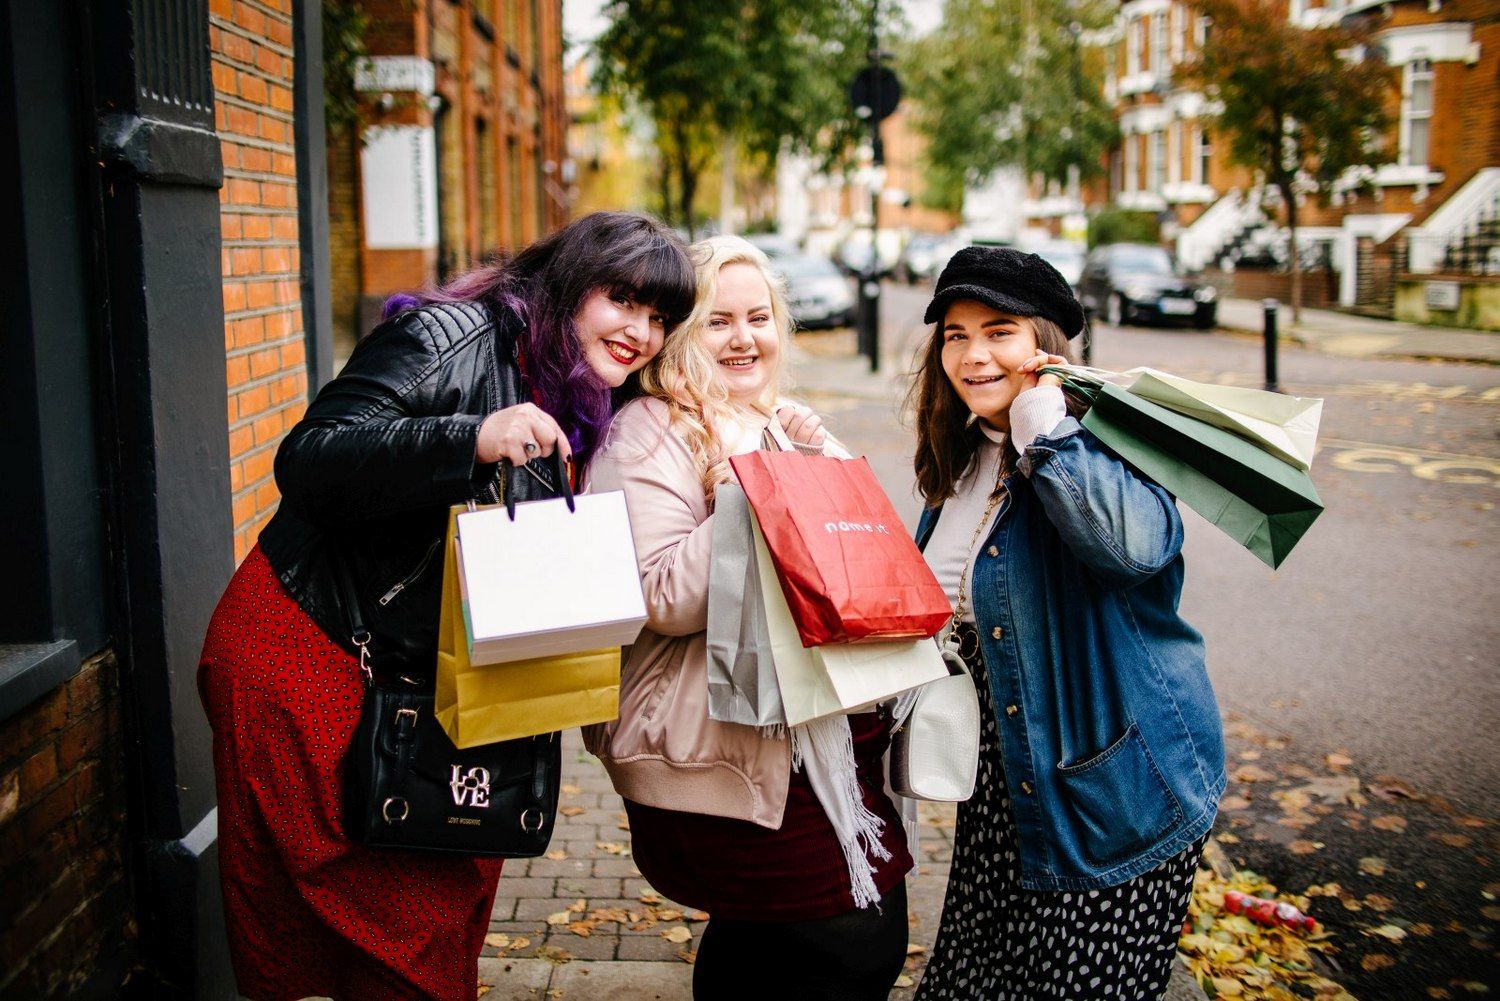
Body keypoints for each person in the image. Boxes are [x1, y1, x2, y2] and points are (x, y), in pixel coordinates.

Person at [197, 212, 694, 1001]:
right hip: (312, 646)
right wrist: (469, 436)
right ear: (570, 280)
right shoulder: (451, 337)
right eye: (624, 299)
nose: (641, 330)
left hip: (424, 677)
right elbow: (311, 459)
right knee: (390, 929)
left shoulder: (580, 389)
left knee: (442, 904)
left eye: (660, 316)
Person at [584, 236, 912, 1001]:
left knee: (783, 940)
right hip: (729, 743)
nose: (743, 338)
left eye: (757, 317)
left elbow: (856, 561)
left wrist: (815, 467)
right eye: (717, 320)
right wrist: (760, 488)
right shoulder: (648, 432)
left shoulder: (778, 421)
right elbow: (658, 595)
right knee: (843, 938)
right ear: (680, 336)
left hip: (822, 736)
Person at [909, 247, 1225, 1001]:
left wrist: (1047, 428)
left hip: (1111, 797)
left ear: (1045, 346)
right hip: (1007, 791)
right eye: (954, 334)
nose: (973, 354)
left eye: (999, 330)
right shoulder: (961, 461)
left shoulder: (1104, 444)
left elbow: (1133, 547)